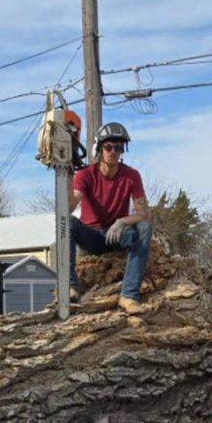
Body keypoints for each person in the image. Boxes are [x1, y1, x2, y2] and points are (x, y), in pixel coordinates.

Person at [69, 121, 153, 315]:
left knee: (144, 228)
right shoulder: (85, 175)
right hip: (92, 236)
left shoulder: (131, 176)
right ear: (100, 148)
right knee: (68, 223)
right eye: (108, 147)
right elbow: (71, 206)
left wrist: (122, 221)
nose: (113, 152)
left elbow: (144, 213)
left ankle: (129, 296)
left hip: (116, 234)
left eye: (118, 147)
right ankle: (70, 286)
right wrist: (66, 173)